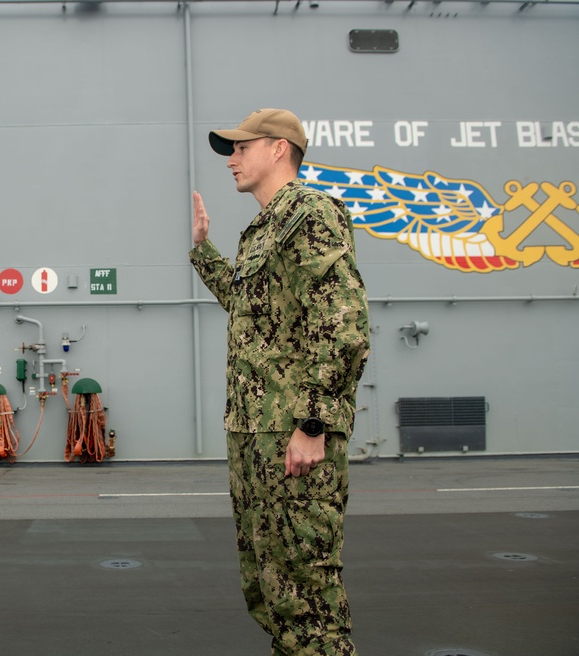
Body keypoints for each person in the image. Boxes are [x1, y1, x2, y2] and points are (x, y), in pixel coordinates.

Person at [189, 108, 370, 655]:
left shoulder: (312, 214)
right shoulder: (262, 231)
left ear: (279, 150)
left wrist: (313, 422)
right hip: (254, 437)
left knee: (307, 595)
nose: (232, 159)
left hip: (292, 436)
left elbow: (344, 323)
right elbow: (253, 313)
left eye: (242, 148)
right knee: (271, 591)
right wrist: (203, 252)